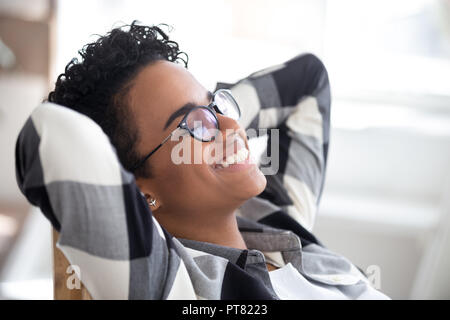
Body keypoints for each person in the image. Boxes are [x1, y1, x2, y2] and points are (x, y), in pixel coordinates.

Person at [15, 22, 389, 299]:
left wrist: (206, 115)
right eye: (192, 124)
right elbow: (52, 131)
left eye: (218, 104)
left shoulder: (273, 221)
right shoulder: (170, 285)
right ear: (141, 192)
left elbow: (308, 81)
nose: (232, 124)